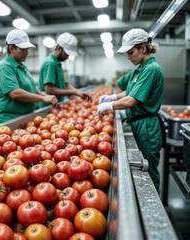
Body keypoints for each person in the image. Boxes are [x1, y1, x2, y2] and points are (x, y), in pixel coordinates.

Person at [97, 28, 164, 193]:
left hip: (147, 127)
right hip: (138, 122)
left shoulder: (152, 69)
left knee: (148, 172)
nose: (128, 57)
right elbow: (130, 91)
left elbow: (131, 100)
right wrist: (112, 98)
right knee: (141, 169)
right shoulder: (141, 68)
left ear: (143, 48)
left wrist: (109, 106)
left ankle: (152, 212)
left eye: (131, 52)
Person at [0, 29, 58, 125]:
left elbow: (31, 87)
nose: (27, 52)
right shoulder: (5, 67)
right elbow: (15, 93)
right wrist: (41, 98)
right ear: (11, 48)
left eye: (27, 48)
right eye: (23, 49)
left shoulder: (22, 66)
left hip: (23, 117)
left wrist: (45, 95)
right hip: (8, 120)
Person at [38, 32, 91, 108]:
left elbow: (65, 84)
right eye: (66, 54)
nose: (67, 57)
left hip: (57, 106)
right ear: (59, 48)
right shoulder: (50, 63)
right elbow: (49, 90)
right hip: (48, 107)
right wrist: (74, 92)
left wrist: (79, 92)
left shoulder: (57, 64)